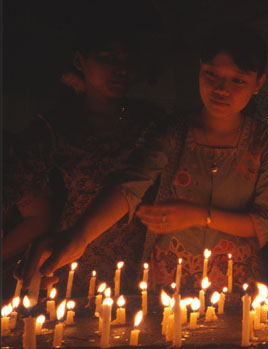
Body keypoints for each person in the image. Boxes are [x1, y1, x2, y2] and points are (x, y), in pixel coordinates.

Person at [21, 23, 268, 292]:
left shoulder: (264, 142)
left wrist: (199, 216)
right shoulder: (174, 132)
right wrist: (80, 236)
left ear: (258, 83)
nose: (221, 88)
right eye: (211, 74)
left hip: (236, 280)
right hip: (169, 280)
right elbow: (130, 185)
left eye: (238, 80)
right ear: (199, 69)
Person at [4, 20, 163, 298]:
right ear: (80, 60)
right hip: (70, 257)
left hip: (140, 259)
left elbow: (136, 182)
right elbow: (16, 182)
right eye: (109, 58)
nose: (121, 69)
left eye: (128, 60)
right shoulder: (56, 126)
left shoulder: (150, 121)